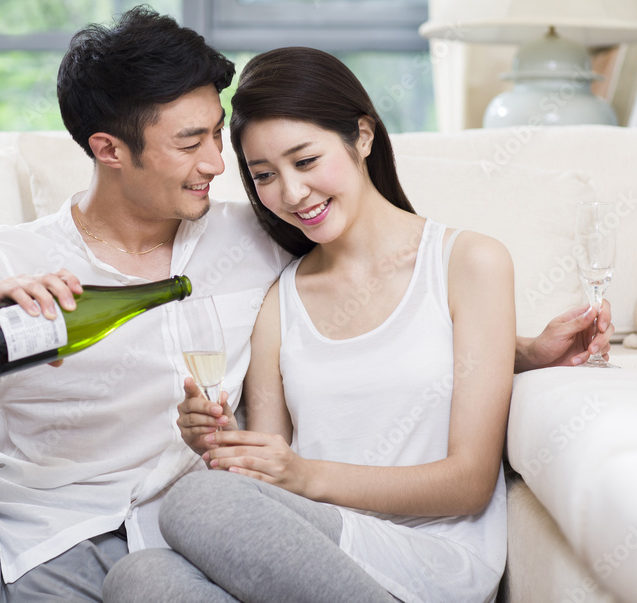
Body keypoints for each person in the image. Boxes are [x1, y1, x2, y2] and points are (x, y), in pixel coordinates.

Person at [0, 8, 614, 602]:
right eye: (192, 143)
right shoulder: (18, 263)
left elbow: (381, 313)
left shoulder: (253, 242)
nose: (219, 165)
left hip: (160, 551)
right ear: (109, 151)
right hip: (7, 556)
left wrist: (523, 350)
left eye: (217, 136)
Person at [101, 46, 615, 603]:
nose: (292, 194)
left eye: (305, 161)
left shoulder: (469, 262)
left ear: (363, 136)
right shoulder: (281, 300)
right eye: (265, 175)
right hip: (315, 557)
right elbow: (263, 475)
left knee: (194, 503)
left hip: (428, 561)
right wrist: (221, 442)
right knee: (139, 579)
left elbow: (467, 484)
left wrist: (305, 476)